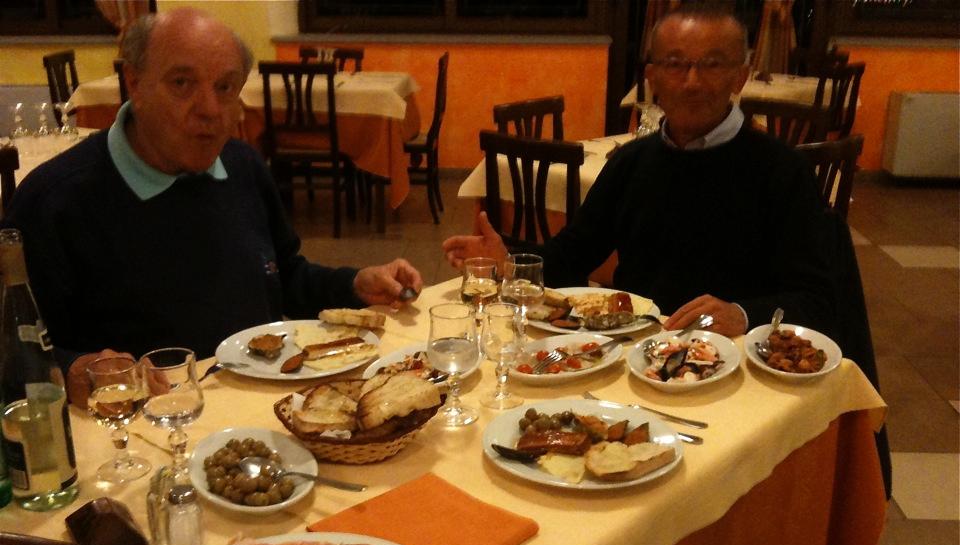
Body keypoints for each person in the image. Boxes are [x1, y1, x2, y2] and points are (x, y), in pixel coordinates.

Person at [2, 8, 422, 404]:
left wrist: (353, 284)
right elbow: (13, 353)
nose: (210, 110)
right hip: (147, 429)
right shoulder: (53, 201)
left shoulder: (243, 166)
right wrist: (75, 369)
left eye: (225, 88)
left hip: (260, 412)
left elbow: (284, 278)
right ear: (134, 84)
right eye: (182, 83)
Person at [443, 9, 835, 339]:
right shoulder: (631, 162)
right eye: (675, 64)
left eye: (712, 64)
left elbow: (819, 300)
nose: (692, 81)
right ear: (652, 76)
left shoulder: (782, 170)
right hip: (636, 353)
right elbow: (572, 255)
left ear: (741, 76)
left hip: (738, 363)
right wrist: (509, 263)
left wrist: (744, 314)